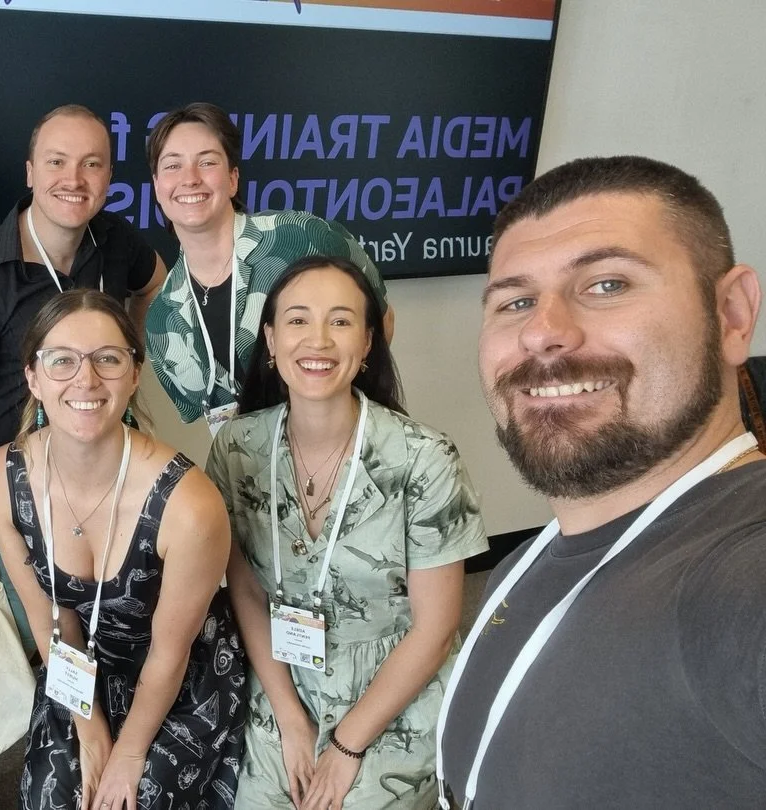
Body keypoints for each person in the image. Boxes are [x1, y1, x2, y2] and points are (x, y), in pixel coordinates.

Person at [438, 156, 766, 808]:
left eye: (608, 284)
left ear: (731, 314)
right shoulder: (528, 560)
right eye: (517, 300)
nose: (543, 332)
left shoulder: (743, 579)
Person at [0, 104, 166, 810]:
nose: (75, 178)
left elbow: (150, 285)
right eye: (58, 162)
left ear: (109, 178)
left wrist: (129, 354)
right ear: (30, 173)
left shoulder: (114, 242)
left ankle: (87, 742)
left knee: (91, 619)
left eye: (93, 163)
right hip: (14, 489)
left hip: (100, 469)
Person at [207, 255, 486, 809]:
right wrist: (288, 719)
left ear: (366, 346)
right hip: (283, 677)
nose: (318, 340)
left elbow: (434, 629)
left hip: (394, 690)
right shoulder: (237, 450)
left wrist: (347, 745)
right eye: (297, 320)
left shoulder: (423, 459)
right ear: (270, 339)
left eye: (339, 321)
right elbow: (247, 591)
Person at [0, 289, 247, 810]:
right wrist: (90, 725)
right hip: (81, 668)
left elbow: (171, 652)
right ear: (33, 377)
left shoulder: (189, 505)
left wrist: (126, 754)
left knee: (135, 800)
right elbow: (48, 616)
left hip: (180, 679)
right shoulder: (0, 479)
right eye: (62, 360)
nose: (86, 379)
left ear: (134, 373)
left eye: (107, 359)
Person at [143, 102, 393, 433]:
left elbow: (382, 319)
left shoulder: (302, 237)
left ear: (232, 179)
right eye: (173, 166)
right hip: (247, 476)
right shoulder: (162, 320)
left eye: (207, 162)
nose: (190, 179)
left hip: (344, 447)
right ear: (157, 186)